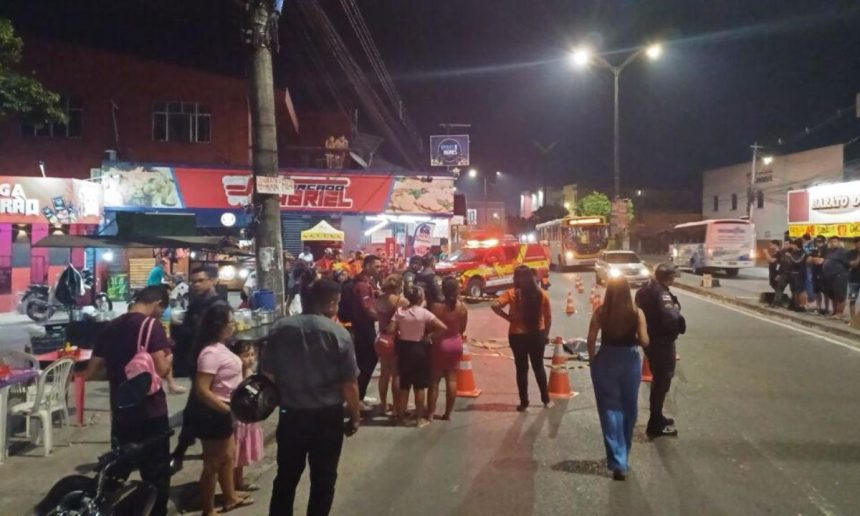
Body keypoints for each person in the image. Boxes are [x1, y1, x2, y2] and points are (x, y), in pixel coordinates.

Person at [263, 279, 361, 516]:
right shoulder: (339, 334)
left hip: (291, 415)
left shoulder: (279, 329)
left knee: (286, 477)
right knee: (323, 480)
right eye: (336, 303)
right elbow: (349, 384)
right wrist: (355, 417)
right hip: (326, 418)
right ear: (329, 304)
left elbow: (267, 373)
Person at [83, 286, 173, 516]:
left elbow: (92, 372)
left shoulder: (109, 327)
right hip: (150, 412)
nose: (160, 314)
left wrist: (119, 374)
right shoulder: (151, 326)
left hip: (121, 412)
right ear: (157, 304)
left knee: (117, 471)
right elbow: (161, 368)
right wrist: (169, 357)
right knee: (156, 475)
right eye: (162, 309)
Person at [189, 304, 252, 515]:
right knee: (213, 464)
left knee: (228, 458)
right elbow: (202, 389)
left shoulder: (221, 347)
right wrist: (225, 410)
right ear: (219, 326)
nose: (233, 326)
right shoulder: (210, 353)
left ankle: (230, 496)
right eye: (230, 323)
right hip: (215, 413)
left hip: (227, 411)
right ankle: (208, 509)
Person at [587, 277, 650, 481]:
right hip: (629, 361)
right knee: (629, 408)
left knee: (609, 409)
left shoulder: (601, 311)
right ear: (627, 291)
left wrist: (592, 359)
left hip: (606, 359)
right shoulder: (635, 312)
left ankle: (617, 460)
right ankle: (624, 454)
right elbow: (645, 340)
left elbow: (591, 337)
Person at [171, 265, 229, 472]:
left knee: (197, 407)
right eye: (193, 281)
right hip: (195, 362)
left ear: (213, 280)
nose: (195, 284)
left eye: (200, 280)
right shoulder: (197, 303)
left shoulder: (218, 306)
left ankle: (182, 451)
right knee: (200, 407)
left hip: (211, 364)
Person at [491, 265, 552, 411]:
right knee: (538, 367)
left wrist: (508, 318)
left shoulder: (511, 293)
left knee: (521, 369)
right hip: (537, 334)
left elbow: (494, 305)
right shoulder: (542, 294)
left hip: (517, 336)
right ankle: (546, 400)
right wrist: (546, 335)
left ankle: (524, 403)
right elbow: (548, 317)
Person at [635, 263, 685, 438]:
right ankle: (655, 423)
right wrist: (678, 324)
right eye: (672, 277)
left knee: (658, 379)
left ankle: (658, 416)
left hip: (650, 341)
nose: (674, 279)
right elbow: (670, 317)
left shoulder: (644, 290)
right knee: (663, 380)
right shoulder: (662, 293)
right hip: (662, 342)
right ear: (667, 277)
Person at [389, 285, 447, 427]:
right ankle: (419, 419)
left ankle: (400, 418)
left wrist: (399, 332)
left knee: (404, 386)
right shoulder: (424, 313)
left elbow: (390, 330)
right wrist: (429, 336)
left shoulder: (399, 312)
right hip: (419, 348)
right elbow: (443, 327)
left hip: (404, 349)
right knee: (419, 387)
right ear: (420, 298)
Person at [428, 277, 468, 421]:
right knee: (451, 379)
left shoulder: (436, 307)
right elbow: (463, 328)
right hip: (455, 343)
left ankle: (431, 413)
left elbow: (430, 327)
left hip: (439, 344)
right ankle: (448, 414)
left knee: (434, 381)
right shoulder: (462, 307)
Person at [232, 341, 264, 493]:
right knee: (235, 454)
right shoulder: (234, 374)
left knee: (243, 454)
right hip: (238, 420)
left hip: (249, 419)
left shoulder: (251, 374)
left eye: (252, 355)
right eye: (245, 356)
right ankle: (232, 483)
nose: (250, 359)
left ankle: (239, 480)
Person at [374, 274, 407, 415]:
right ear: (400, 286)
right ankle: (396, 406)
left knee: (384, 373)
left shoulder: (379, 299)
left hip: (381, 338)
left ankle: (382, 404)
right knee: (396, 374)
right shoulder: (400, 301)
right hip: (395, 339)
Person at [351, 254, 382, 403]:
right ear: (368, 266)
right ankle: (357, 398)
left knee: (366, 361)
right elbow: (367, 309)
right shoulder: (362, 285)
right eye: (376, 266)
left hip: (365, 326)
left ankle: (360, 396)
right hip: (363, 328)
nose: (379, 269)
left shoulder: (369, 281)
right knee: (367, 361)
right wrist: (384, 318)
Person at [821, 236, 851, 320]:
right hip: (829, 277)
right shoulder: (829, 251)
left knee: (840, 296)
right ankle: (834, 312)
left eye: (835, 241)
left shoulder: (843, 252)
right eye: (831, 242)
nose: (832, 243)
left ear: (839, 242)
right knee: (833, 296)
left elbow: (847, 264)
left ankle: (839, 313)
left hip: (839, 276)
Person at [808, 236, 830, 314]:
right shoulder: (814, 249)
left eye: (820, 242)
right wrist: (815, 259)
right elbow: (808, 260)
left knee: (825, 292)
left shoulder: (827, 250)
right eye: (817, 242)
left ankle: (827, 309)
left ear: (824, 242)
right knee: (817, 291)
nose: (819, 243)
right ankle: (818, 307)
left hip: (824, 272)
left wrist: (815, 259)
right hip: (815, 271)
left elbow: (821, 261)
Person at [848, 237, 860, 319]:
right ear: (855, 244)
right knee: (852, 300)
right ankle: (853, 319)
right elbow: (853, 264)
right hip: (854, 280)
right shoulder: (851, 253)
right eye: (858, 244)